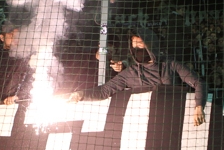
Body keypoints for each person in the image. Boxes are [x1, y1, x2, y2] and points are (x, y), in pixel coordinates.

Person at [66, 28, 207, 126]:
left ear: (150, 45)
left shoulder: (170, 65)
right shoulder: (130, 73)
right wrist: (81, 94)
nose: (137, 50)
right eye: (134, 47)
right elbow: (104, 91)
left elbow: (198, 83)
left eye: (140, 45)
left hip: (172, 116)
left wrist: (199, 106)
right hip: (143, 122)